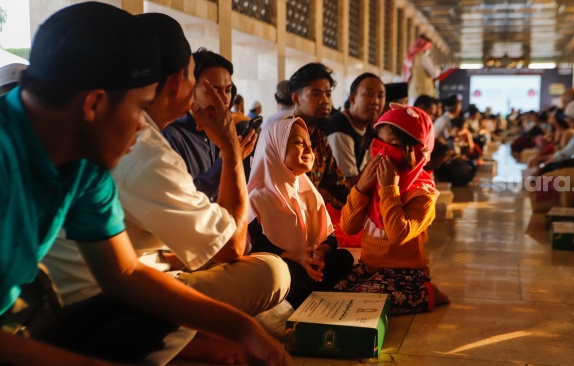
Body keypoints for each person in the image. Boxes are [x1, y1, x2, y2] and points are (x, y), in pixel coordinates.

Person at [0, 3, 289, 366]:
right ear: (95, 104)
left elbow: (123, 273)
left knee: (155, 309)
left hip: (39, 316)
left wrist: (242, 329)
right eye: (139, 108)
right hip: (25, 321)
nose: (142, 126)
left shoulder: (84, 159)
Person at [333, 104, 449, 314]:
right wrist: (361, 188)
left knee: (366, 299)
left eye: (394, 144)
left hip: (404, 275)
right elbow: (349, 227)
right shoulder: (373, 181)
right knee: (332, 291)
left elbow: (398, 234)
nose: (384, 151)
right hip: (368, 268)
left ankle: (427, 293)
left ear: (417, 151)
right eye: (380, 142)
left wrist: (389, 190)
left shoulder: (422, 194)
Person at [247, 118, 354, 309]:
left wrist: (320, 252)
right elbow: (258, 247)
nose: (309, 151)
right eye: (299, 143)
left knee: (344, 258)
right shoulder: (258, 197)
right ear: (275, 147)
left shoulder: (308, 191)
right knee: (279, 272)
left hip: (310, 265)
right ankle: (307, 292)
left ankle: (306, 292)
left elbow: (330, 239)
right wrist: (296, 256)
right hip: (284, 266)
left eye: (310, 145)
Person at [163, 48, 255, 201]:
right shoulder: (171, 136)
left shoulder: (219, 131)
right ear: (191, 89)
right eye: (213, 90)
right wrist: (228, 159)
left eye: (228, 90)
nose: (223, 99)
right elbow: (185, 201)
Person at [289, 62, 349, 208]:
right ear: (297, 99)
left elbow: (337, 184)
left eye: (328, 94)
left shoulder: (319, 137)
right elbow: (293, 192)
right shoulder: (284, 136)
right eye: (316, 94)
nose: (325, 101)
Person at [326, 72, 385, 187]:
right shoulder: (340, 128)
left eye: (380, 96)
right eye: (369, 94)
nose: (375, 102)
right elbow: (350, 183)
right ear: (352, 98)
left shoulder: (369, 128)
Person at [402, 34, 439, 103]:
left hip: (413, 91)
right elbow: (434, 74)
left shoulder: (410, 57)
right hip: (424, 93)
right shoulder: (423, 57)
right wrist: (438, 70)